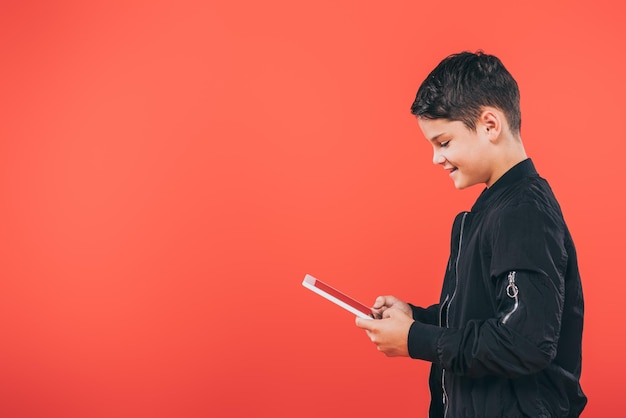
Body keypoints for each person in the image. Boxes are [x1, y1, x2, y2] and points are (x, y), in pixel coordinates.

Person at [355, 51, 587, 417]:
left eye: (444, 142)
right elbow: (492, 317)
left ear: (490, 125)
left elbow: (523, 342)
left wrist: (415, 339)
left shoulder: (523, 213)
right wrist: (416, 319)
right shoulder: (492, 209)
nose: (436, 159)